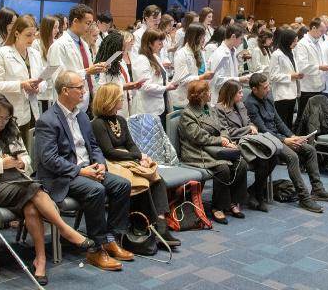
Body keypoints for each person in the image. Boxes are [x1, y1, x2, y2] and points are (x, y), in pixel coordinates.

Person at [0, 94, 94, 285]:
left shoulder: (10, 130)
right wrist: (0, 164)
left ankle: (41, 261)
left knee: (31, 207)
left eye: (7, 118)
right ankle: (64, 229)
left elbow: (27, 158)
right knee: (35, 189)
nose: (3, 123)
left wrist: (20, 162)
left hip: (17, 182)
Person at [35, 71, 133, 271]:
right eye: (79, 87)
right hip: (62, 176)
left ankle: (110, 238)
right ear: (64, 91)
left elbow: (94, 146)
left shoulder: (81, 116)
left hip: (88, 170)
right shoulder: (47, 120)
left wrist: (100, 164)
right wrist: (81, 171)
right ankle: (95, 250)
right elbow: (49, 160)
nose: (84, 91)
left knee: (123, 185)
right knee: (96, 190)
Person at [91, 83, 180, 247]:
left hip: (126, 160)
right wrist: (137, 156)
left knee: (157, 179)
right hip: (112, 163)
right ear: (110, 100)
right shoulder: (98, 123)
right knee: (142, 182)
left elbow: (131, 144)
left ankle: (160, 225)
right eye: (119, 97)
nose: (122, 99)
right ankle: (145, 224)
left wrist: (140, 157)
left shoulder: (120, 120)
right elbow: (109, 152)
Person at [245, 73, 328, 212]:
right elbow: (263, 130)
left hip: (279, 137)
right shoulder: (250, 103)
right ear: (254, 89)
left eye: (268, 86)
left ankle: (317, 189)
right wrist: (286, 140)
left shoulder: (268, 97)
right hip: (267, 141)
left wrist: (293, 136)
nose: (268, 89)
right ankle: (304, 198)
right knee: (292, 157)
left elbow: (278, 121)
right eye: (264, 87)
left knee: (309, 149)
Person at [178, 80, 247, 225]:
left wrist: (226, 138)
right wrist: (220, 141)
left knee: (241, 164)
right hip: (196, 151)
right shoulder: (188, 114)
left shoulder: (209, 108)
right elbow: (198, 137)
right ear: (201, 96)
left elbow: (223, 127)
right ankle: (217, 207)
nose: (210, 93)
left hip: (214, 147)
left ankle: (232, 202)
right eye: (208, 92)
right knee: (222, 168)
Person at [215, 80, 278, 212]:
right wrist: (248, 129)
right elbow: (226, 132)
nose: (242, 95)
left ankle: (254, 191)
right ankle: (259, 196)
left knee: (273, 157)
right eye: (239, 92)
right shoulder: (219, 109)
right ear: (231, 93)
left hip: (249, 141)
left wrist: (253, 127)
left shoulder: (240, 105)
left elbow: (249, 122)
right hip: (235, 143)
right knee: (262, 161)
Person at [0, 15, 46, 142]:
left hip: (32, 111)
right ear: (16, 33)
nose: (32, 39)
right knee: (12, 154)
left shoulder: (35, 54)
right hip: (9, 112)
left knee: (28, 151)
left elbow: (44, 80)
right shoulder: (2, 53)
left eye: (34, 34)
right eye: (28, 35)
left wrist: (38, 87)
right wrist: (21, 84)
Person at [47, 4, 107, 114]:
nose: (89, 27)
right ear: (75, 21)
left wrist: (96, 69)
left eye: (91, 24)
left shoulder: (83, 43)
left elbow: (89, 73)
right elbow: (59, 79)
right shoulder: (59, 45)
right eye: (87, 23)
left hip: (86, 100)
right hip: (67, 103)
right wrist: (87, 71)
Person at [133, 29, 178, 127]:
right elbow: (145, 87)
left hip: (160, 106)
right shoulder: (141, 60)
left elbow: (161, 81)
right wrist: (166, 88)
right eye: (159, 43)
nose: (162, 45)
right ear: (149, 43)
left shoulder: (155, 57)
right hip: (148, 109)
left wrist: (171, 83)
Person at [294, 18, 328, 123]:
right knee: (304, 117)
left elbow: (320, 61)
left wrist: (327, 67)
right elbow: (302, 66)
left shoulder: (319, 42)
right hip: (307, 88)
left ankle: (312, 138)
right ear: (313, 28)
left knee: (315, 119)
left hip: (318, 86)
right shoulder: (303, 44)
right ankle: (300, 137)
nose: (322, 34)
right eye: (321, 31)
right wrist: (320, 67)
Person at [95, 31, 144, 118]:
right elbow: (104, 90)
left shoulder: (119, 62)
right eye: (121, 48)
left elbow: (119, 84)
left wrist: (129, 86)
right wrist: (125, 87)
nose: (123, 51)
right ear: (114, 48)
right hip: (112, 107)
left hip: (125, 103)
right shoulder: (106, 65)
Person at [171, 24, 214, 109]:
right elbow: (182, 79)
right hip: (183, 98)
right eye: (202, 37)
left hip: (197, 97)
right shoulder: (181, 54)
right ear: (195, 37)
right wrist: (202, 77)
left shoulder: (200, 52)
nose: (204, 39)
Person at [207, 23, 250, 105]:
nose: (241, 42)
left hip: (229, 95)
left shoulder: (232, 51)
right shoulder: (220, 54)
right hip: (219, 98)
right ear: (233, 37)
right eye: (241, 39)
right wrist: (239, 79)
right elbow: (218, 80)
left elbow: (232, 72)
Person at [269, 29, 303, 130]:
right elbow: (272, 76)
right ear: (287, 40)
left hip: (292, 93)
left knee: (288, 123)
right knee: (282, 124)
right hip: (282, 95)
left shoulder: (291, 52)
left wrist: (298, 75)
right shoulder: (277, 54)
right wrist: (291, 76)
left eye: (297, 40)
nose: (296, 43)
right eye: (294, 41)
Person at [32, 15, 60, 112]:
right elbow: (35, 67)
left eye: (58, 27)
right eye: (55, 27)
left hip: (54, 89)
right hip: (41, 90)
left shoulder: (57, 43)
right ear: (48, 28)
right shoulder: (36, 43)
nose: (57, 30)